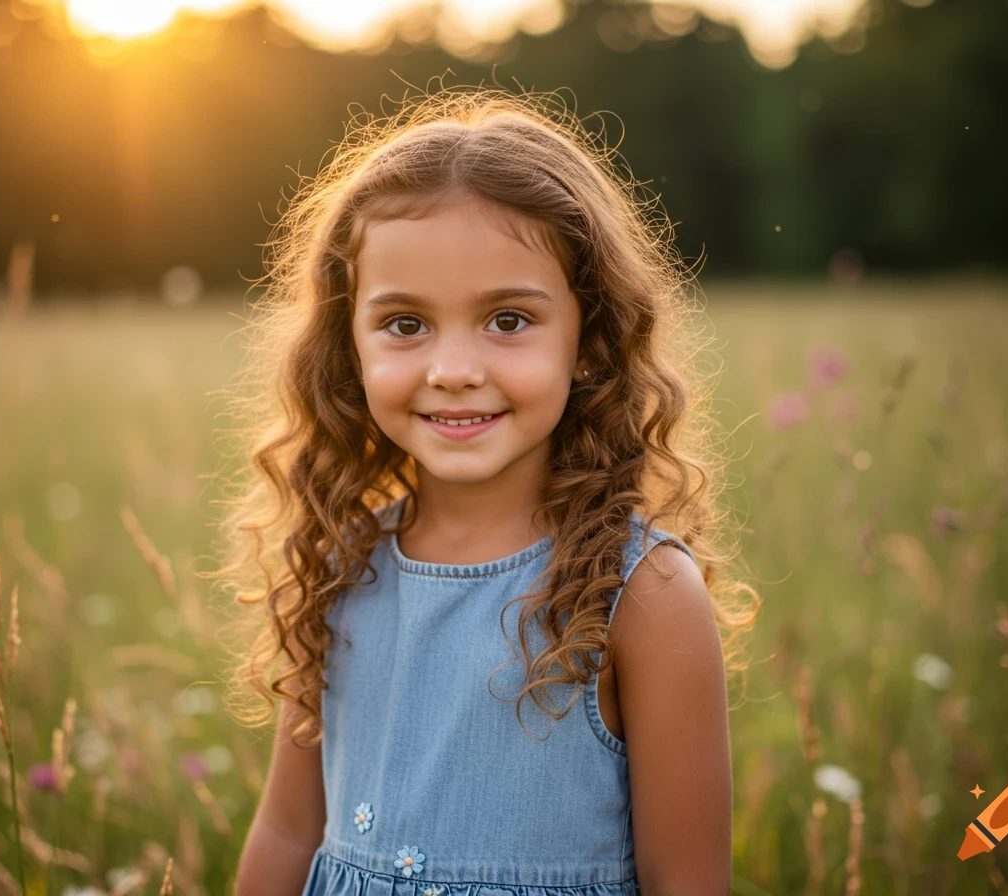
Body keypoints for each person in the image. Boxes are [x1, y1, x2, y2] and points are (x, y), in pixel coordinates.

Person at [217, 85, 761, 896]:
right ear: (349, 344)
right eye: (405, 324)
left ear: (590, 337)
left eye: (508, 319)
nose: (454, 370)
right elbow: (290, 828)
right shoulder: (338, 567)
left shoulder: (642, 595)